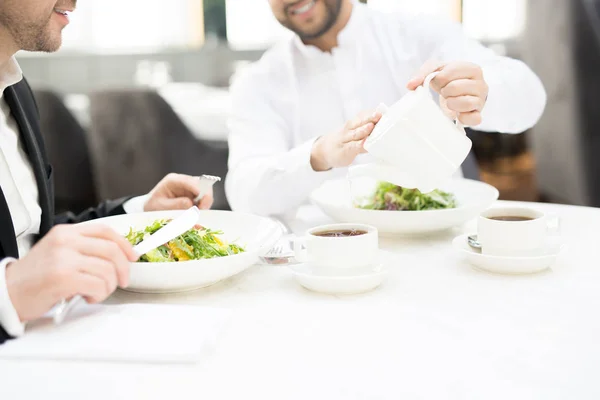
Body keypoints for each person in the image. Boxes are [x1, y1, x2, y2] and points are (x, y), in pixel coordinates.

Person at [0, 0, 214, 344]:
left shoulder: (15, 92)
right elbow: (23, 274)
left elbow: (32, 246)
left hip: (55, 337)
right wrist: (8, 296)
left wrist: (138, 212)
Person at [225, 0, 547, 218]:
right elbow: (243, 193)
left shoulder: (419, 33)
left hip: (440, 239)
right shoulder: (258, 82)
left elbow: (530, 98)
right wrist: (318, 155)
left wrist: (482, 91)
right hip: (327, 260)